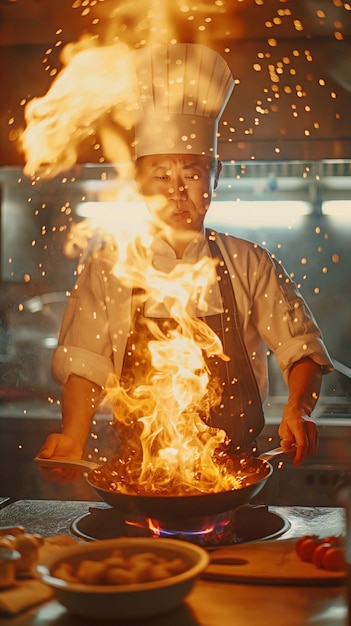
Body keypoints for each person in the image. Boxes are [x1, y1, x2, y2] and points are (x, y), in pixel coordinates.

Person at [37, 43, 333, 482]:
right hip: (140, 476)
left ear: (215, 177)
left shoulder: (249, 263)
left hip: (231, 473)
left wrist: (297, 407)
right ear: (139, 185)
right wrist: (73, 436)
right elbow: (85, 363)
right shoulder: (109, 266)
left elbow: (301, 351)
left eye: (192, 175)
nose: (177, 192)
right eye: (160, 176)